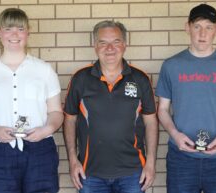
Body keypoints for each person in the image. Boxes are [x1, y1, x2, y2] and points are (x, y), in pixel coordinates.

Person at [0, 8, 63, 193]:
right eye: (8, 29)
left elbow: (56, 112)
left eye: (20, 28)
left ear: (28, 32)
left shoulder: (44, 70)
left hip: (40, 150)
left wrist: (46, 130)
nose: (14, 34)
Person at [156, 4, 216, 193]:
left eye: (209, 27)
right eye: (197, 26)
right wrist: (175, 135)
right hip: (181, 160)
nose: (203, 33)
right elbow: (162, 109)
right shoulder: (171, 66)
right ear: (187, 28)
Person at [63, 20, 158, 193]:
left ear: (124, 44)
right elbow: (70, 119)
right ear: (95, 46)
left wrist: (151, 162)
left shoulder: (140, 78)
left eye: (116, 42)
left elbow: (151, 121)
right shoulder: (80, 79)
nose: (110, 48)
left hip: (133, 173)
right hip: (89, 173)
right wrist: (72, 160)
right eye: (103, 42)